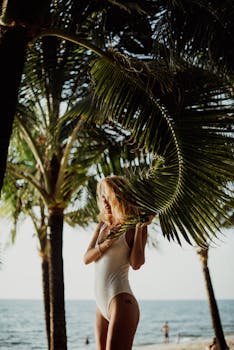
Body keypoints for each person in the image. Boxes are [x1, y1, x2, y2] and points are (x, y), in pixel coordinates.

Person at [84, 176, 155, 350]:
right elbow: (86, 258)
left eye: (109, 195)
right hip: (101, 305)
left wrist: (139, 229)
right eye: (102, 196)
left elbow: (136, 263)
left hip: (121, 301)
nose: (105, 200)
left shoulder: (133, 226)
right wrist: (107, 243)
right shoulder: (102, 226)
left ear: (119, 196)